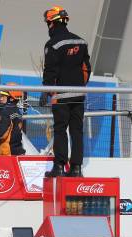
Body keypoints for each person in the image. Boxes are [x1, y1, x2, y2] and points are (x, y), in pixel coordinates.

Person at [40, 5, 91, 178]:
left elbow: (50, 70)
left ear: (52, 24)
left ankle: (59, 167)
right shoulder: (81, 42)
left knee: (60, 129)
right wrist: (80, 86)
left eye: (48, 24)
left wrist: (46, 91)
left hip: (60, 95)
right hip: (79, 94)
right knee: (77, 130)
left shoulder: (53, 44)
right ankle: (76, 168)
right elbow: (86, 69)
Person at [0, 83, 26, 156]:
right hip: (18, 151)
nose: (1, 98)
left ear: (11, 98)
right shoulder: (18, 112)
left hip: (7, 153)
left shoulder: (5, 113)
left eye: (3, 96)